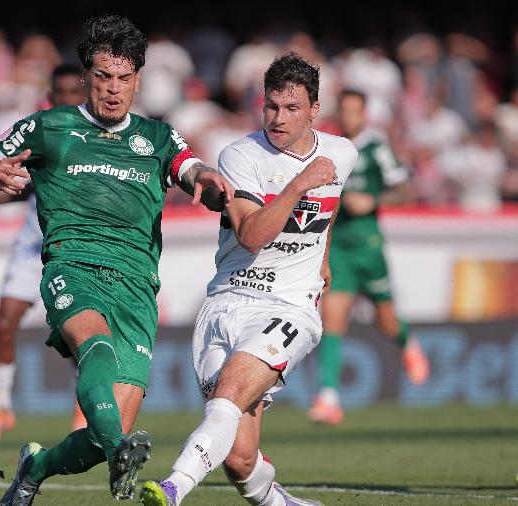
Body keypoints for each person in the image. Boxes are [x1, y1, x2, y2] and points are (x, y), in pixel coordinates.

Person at [0, 15, 233, 504]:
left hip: (137, 287)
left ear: (138, 80)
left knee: (95, 439)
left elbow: (192, 172)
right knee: (95, 346)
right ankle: (119, 448)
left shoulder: (157, 137)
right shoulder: (51, 126)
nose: (113, 89)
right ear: (85, 77)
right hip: (74, 266)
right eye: (103, 76)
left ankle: (35, 468)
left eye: (124, 78)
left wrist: (210, 184)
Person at [141, 53, 356, 506]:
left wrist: (323, 260)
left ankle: (173, 487)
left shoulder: (341, 153)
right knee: (239, 459)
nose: (279, 117)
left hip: (289, 306)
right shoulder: (240, 155)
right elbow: (252, 234)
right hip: (226, 301)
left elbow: (327, 210)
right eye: (272, 106)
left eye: (292, 108)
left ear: (314, 109)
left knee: (231, 391)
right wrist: (300, 184)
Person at [0, 63, 88, 449]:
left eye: (75, 93)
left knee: (74, 335)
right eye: (61, 94)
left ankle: (82, 406)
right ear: (50, 98)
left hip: (72, 247)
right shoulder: (38, 132)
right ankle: (1, 406)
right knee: (4, 323)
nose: (68, 100)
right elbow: (22, 178)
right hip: (33, 243)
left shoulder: (97, 137)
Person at [307, 89, 429, 426]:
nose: (348, 117)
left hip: (369, 247)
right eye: (343, 110)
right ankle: (328, 397)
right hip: (339, 246)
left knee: (386, 321)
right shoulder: (329, 148)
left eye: (354, 111)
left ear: (364, 114)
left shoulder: (376, 148)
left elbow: (405, 190)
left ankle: (406, 341)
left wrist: (372, 200)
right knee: (333, 319)